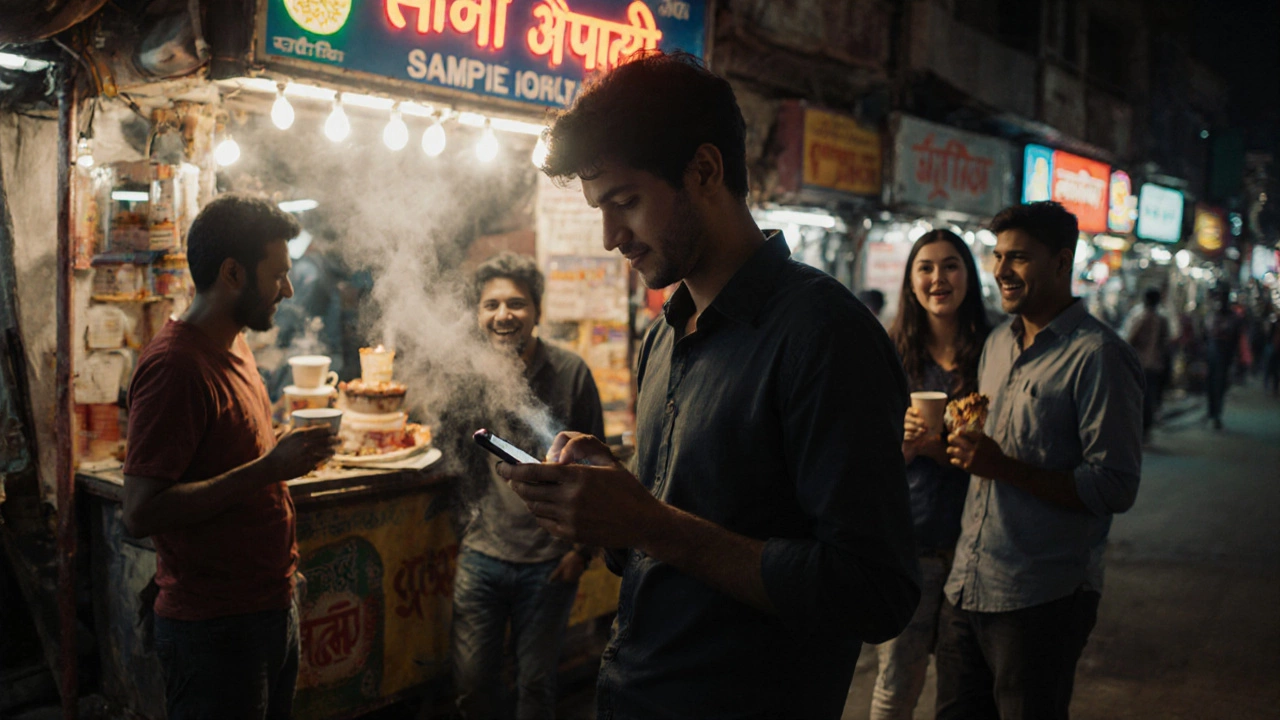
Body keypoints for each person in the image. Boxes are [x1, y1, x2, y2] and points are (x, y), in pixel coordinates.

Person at [497, 52, 921, 720]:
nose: (611, 237)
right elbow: (678, 524)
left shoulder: (825, 335)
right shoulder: (665, 335)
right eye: (599, 210)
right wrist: (616, 503)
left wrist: (651, 523)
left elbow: (876, 592)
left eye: (625, 202)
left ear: (704, 171)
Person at [122, 193, 340, 719]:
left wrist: (281, 570)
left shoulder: (236, 345)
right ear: (234, 274)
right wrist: (271, 468)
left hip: (267, 607)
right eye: (279, 274)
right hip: (214, 630)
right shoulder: (176, 367)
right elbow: (140, 511)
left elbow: (230, 460)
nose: (288, 289)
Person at [937, 201, 1143, 719]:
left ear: (1061, 261)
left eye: (1019, 258)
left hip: (1040, 598)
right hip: (966, 586)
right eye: (998, 256)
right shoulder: (997, 345)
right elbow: (987, 451)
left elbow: (1114, 486)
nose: (1002, 270)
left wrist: (1005, 467)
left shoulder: (1099, 356)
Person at [450, 253, 605, 720]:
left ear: (537, 311)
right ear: (478, 314)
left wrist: (581, 552)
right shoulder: (466, 377)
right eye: (490, 304)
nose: (503, 315)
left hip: (549, 564)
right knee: (472, 688)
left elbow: (599, 469)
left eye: (516, 303)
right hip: (481, 557)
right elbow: (451, 453)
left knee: (536, 689)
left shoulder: (571, 372)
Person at [871, 230, 990, 720]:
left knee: (966, 691)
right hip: (910, 543)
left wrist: (938, 448)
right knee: (897, 684)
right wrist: (903, 445)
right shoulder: (889, 354)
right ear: (911, 280)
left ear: (969, 275)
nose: (938, 278)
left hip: (979, 546)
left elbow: (1004, 452)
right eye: (926, 267)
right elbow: (869, 462)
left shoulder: (994, 352)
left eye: (951, 265)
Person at [1122, 288, 1172, 440]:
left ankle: (1138, 429)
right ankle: (1145, 429)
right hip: (1155, 365)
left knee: (1138, 396)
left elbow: (1130, 339)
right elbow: (1165, 343)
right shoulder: (1162, 319)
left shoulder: (1140, 317)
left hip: (1140, 364)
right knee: (1149, 396)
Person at [1203, 288, 1242, 429]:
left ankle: (1216, 414)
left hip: (1224, 356)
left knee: (1219, 385)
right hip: (1212, 355)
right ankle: (1211, 412)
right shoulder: (1212, 315)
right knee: (1210, 385)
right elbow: (1205, 334)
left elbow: (1235, 339)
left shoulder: (1233, 318)